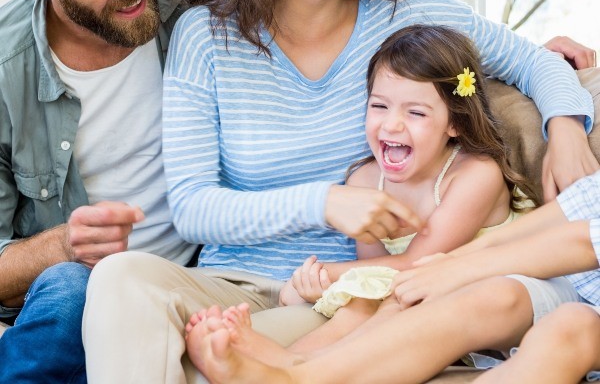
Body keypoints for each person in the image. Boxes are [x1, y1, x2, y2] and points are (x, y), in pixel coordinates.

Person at [81, 0, 598, 382]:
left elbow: (534, 61)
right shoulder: (207, 36)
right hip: (232, 284)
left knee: (206, 366)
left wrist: (567, 129)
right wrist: (324, 202)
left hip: (342, 298)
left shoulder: (410, 14)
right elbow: (192, 206)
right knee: (117, 279)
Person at [183, 23, 538, 365]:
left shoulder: (475, 175)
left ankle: (290, 364)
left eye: (415, 112)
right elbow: (375, 274)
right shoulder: (365, 182)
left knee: (395, 303)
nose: (391, 124)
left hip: (486, 297)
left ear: (455, 123)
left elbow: (413, 265)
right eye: (379, 106)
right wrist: (321, 285)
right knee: (366, 303)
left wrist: (324, 273)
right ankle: (285, 363)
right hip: (418, 293)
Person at [0, 0, 196, 383]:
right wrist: (64, 244)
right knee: (71, 287)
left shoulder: (202, 6)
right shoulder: (3, 71)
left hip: (199, 277)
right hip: (79, 294)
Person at [185, 168, 600, 384]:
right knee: (489, 293)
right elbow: (542, 227)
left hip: (585, 311)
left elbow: (587, 243)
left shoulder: (476, 175)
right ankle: (298, 363)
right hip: (570, 283)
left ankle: (297, 378)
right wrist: (448, 265)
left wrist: (457, 267)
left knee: (572, 327)